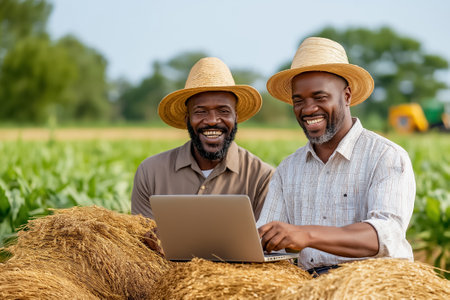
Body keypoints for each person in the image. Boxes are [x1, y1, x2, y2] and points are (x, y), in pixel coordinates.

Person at [257, 37, 415, 276]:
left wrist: (306, 235)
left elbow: (386, 236)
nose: (308, 109)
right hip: (307, 285)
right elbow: (267, 241)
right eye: (298, 101)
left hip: (373, 285)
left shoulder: (386, 156)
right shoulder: (288, 168)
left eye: (320, 97)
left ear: (347, 96)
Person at [131, 57, 274, 221]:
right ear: (187, 118)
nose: (212, 120)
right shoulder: (151, 173)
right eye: (200, 111)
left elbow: (263, 244)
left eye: (223, 111)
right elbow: (138, 243)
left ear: (236, 117)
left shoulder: (262, 177)